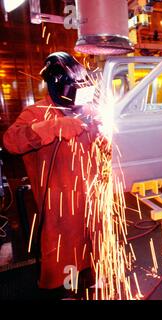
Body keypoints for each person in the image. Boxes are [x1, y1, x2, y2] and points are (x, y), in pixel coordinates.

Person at [3, 52, 98, 296]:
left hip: (92, 205)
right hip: (61, 215)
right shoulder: (37, 113)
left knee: (94, 258)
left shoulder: (84, 110)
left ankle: (90, 286)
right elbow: (10, 141)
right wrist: (54, 127)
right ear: (59, 85)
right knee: (67, 263)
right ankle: (69, 292)